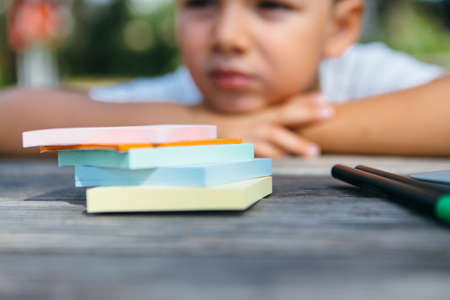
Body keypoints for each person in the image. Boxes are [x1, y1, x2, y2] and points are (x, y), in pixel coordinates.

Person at [1, 0, 449, 157]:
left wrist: (275, 128)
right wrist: (200, 127)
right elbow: (11, 114)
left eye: (271, 5)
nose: (227, 37)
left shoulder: (360, 73)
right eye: (200, 3)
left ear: (340, 28)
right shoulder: (181, 99)